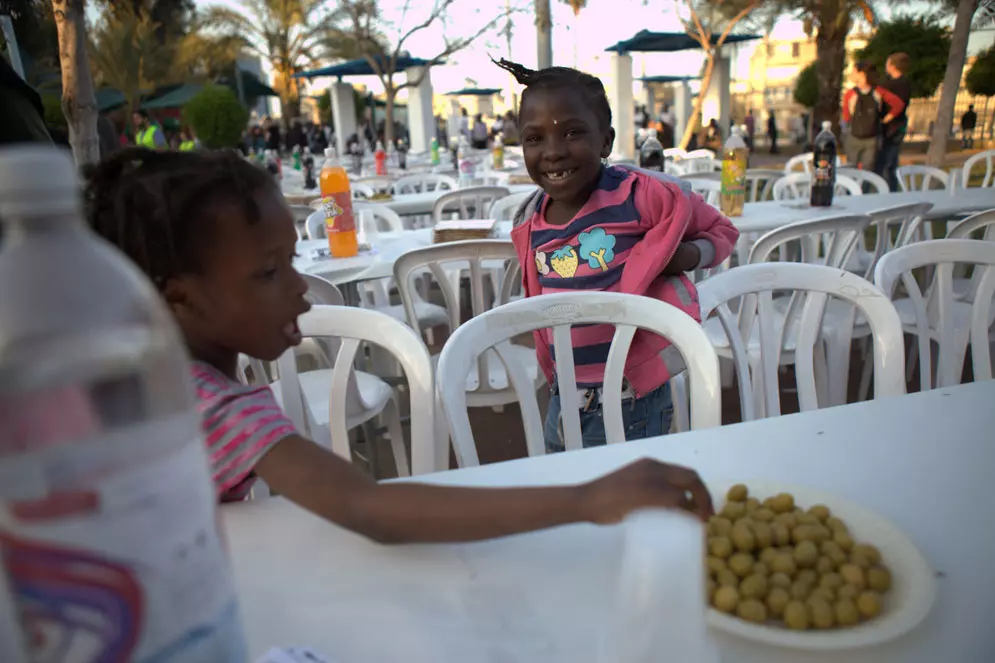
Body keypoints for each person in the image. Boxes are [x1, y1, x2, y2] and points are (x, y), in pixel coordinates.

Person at [80, 148, 714, 541]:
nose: (303, 290)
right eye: (269, 273)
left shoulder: (140, 385)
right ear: (180, 298)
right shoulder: (211, 409)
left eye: (290, 263)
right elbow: (368, 509)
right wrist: (583, 499)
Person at [492, 58, 739, 451]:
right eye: (535, 139)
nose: (553, 152)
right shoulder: (532, 217)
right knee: (571, 497)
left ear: (605, 140)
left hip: (632, 401)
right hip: (564, 397)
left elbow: (723, 231)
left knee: (630, 502)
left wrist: (684, 256)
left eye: (572, 132)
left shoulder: (639, 195)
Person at [841, 61, 904, 170]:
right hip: (873, 136)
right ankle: (865, 187)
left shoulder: (850, 94)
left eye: (854, 71)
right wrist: (886, 118)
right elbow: (898, 104)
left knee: (851, 168)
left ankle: (852, 187)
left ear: (862, 74)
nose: (851, 74)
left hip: (854, 134)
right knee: (868, 169)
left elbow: (846, 116)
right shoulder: (878, 91)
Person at [874, 53, 912, 191]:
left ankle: (889, 189)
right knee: (888, 161)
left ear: (892, 66)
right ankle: (888, 188)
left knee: (888, 162)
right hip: (894, 126)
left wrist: (885, 120)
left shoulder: (896, 84)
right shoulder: (903, 82)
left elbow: (899, 105)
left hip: (893, 127)